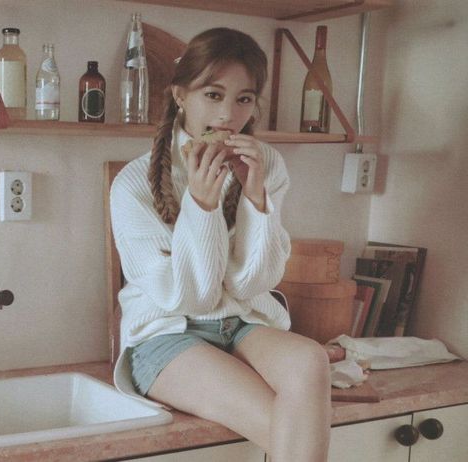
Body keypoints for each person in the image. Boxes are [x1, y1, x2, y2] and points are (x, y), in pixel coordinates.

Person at [109, 27, 331, 462]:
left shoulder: (265, 165)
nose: (228, 114)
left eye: (244, 99)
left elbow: (253, 284)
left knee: (311, 360)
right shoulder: (132, 185)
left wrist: (256, 198)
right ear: (180, 95)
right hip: (166, 334)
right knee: (289, 428)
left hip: (242, 323)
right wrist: (202, 206)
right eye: (213, 95)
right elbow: (193, 297)